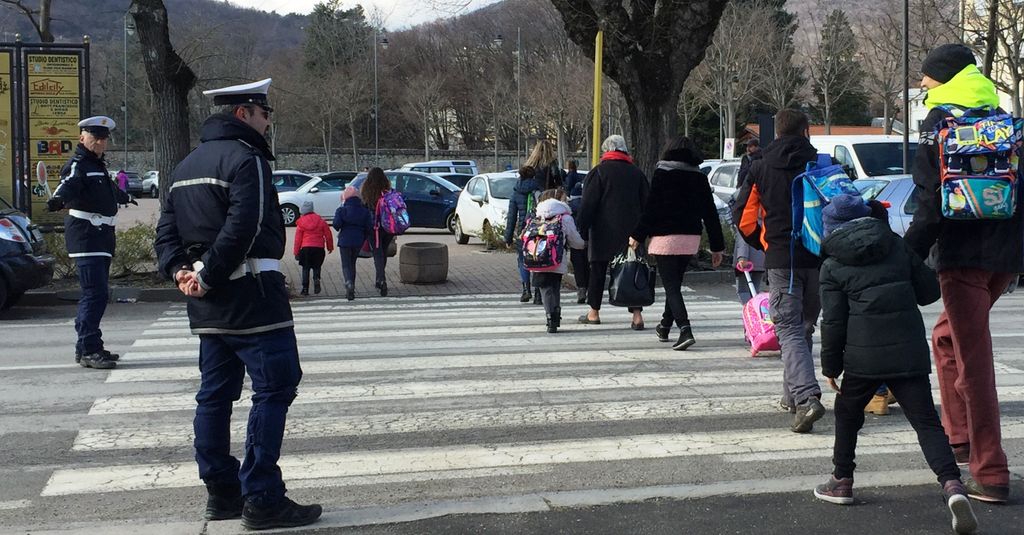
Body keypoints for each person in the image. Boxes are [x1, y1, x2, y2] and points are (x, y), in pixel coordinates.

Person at [154, 78, 322, 530]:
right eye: (265, 114)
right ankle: (262, 496)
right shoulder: (247, 159)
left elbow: (165, 233)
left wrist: (181, 272)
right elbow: (243, 226)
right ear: (244, 113)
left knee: (214, 396)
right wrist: (207, 275)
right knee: (275, 388)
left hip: (207, 303)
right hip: (252, 295)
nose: (268, 123)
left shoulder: (185, 165)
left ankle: (222, 492)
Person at [813, 194, 978, 534]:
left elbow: (833, 321)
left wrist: (831, 367)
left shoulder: (831, 264)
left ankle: (841, 480)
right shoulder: (896, 245)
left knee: (847, 414)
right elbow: (929, 292)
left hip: (862, 358)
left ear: (831, 228)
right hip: (907, 353)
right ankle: (952, 485)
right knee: (927, 423)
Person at [902, 43, 1022, 504]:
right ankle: (959, 438)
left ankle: (990, 471)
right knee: (946, 337)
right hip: (1004, 256)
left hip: (961, 255)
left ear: (946, 78)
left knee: (974, 362)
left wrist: (906, 254)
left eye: (927, 79)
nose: (922, 85)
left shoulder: (939, 123)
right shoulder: (1001, 117)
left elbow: (930, 200)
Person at [732, 109, 825, 433]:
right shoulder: (821, 163)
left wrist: (764, 242)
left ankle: (806, 397)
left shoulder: (760, 166)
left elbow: (744, 218)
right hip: (817, 256)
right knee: (803, 326)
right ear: (805, 131)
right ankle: (792, 396)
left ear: (776, 132)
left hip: (782, 257)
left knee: (787, 327)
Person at [47, 116, 135, 370]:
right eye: (95, 138)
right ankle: (89, 349)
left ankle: (87, 345)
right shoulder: (79, 164)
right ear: (82, 137)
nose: (100, 143)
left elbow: (106, 190)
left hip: (101, 236)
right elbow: (68, 184)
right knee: (94, 294)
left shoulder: (97, 165)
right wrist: (58, 200)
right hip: (86, 236)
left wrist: (124, 196)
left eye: (104, 139)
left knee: (97, 293)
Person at [630, 136, 724, 349]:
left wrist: (637, 235)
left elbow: (652, 208)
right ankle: (664, 325)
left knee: (671, 287)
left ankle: (685, 329)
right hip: (690, 238)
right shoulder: (699, 177)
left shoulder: (663, 173)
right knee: (675, 284)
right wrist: (717, 247)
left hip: (665, 238)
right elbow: (710, 213)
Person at [577, 134, 650, 329]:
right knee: (633, 269)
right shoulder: (637, 173)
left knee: (598, 271)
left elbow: (588, 204)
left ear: (606, 151)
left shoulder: (599, 172)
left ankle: (594, 312)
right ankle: (637, 316)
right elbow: (647, 204)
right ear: (624, 150)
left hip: (603, 231)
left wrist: (581, 228)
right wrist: (644, 232)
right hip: (632, 233)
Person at [531, 188, 585, 333]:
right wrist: (584, 245)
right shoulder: (565, 217)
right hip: (556, 259)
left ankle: (550, 318)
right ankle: (555, 316)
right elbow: (574, 240)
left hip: (537, 258)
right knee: (555, 287)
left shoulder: (537, 215)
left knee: (545, 289)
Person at [503, 165, 541, 303]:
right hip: (537, 231)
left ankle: (526, 290)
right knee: (537, 261)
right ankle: (538, 294)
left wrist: (508, 238)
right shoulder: (538, 190)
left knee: (522, 260)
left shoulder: (515, 193)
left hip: (522, 232)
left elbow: (511, 217)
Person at [360, 167, 396, 297]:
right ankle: (379, 278)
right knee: (383, 252)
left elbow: (363, 208)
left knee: (377, 253)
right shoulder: (388, 190)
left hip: (373, 227)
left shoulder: (367, 191)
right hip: (388, 227)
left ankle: (381, 279)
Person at [333, 186, 373, 301]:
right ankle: (352, 288)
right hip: (358, 241)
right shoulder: (364, 211)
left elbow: (336, 225)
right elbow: (369, 227)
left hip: (344, 240)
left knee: (346, 264)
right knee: (352, 263)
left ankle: (348, 283)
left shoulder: (342, 210)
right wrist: (363, 237)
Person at [293, 200, 333, 296]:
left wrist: (296, 252)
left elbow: (298, 239)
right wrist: (330, 247)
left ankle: (305, 289)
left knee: (305, 268)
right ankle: (316, 279)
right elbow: (328, 235)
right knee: (317, 266)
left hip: (306, 248)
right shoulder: (321, 221)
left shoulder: (301, 223)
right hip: (318, 248)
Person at [567, 174, 589, 304]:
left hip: (575, 240)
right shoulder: (590, 204)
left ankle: (581, 289)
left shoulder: (569, 208)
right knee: (589, 265)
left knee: (578, 266)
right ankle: (590, 289)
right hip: (589, 239)